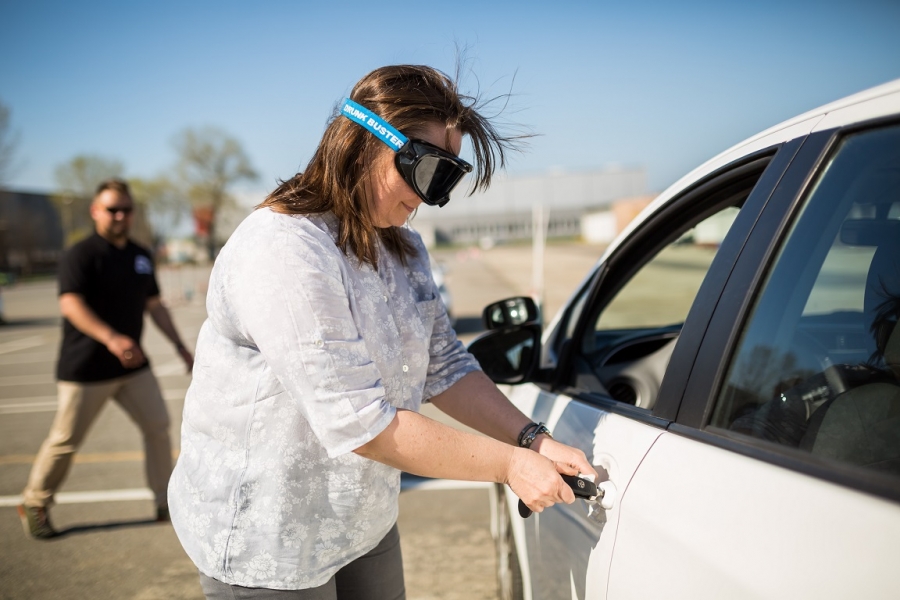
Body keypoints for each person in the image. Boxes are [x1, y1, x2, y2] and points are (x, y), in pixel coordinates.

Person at [168, 64, 596, 599]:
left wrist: (533, 439)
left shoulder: (403, 248)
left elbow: (445, 366)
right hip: (269, 536)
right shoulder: (285, 249)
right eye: (431, 172)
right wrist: (511, 465)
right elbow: (362, 425)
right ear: (368, 143)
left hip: (360, 518)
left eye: (449, 180)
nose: (431, 199)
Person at [17, 179, 194, 539]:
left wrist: (180, 345)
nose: (120, 216)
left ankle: (164, 501)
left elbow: (154, 305)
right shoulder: (80, 254)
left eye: (126, 210)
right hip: (86, 369)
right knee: (65, 440)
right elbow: (70, 303)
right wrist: (112, 338)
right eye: (112, 209)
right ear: (95, 211)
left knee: (158, 427)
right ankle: (35, 502)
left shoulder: (140, 255)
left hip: (132, 367)